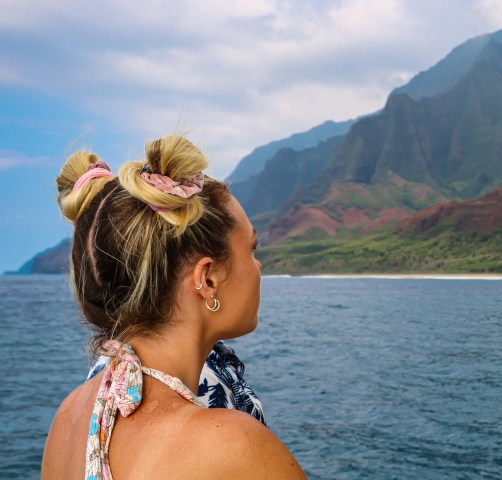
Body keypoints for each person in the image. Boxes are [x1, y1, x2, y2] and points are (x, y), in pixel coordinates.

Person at [41, 135, 306, 479]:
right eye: (252, 248)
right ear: (207, 279)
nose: (258, 267)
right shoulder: (234, 446)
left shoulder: (70, 417)